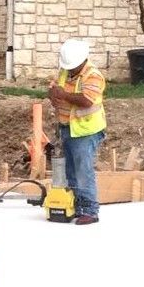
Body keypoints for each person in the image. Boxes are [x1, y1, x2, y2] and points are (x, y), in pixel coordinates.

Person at [47, 40, 106, 225]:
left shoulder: (93, 75)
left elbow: (87, 100)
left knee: (83, 170)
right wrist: (53, 95)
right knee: (70, 170)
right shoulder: (65, 72)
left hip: (86, 131)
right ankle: (76, 206)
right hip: (67, 128)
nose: (70, 70)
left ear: (82, 60)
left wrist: (63, 95)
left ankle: (90, 210)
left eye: (73, 66)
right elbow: (53, 89)